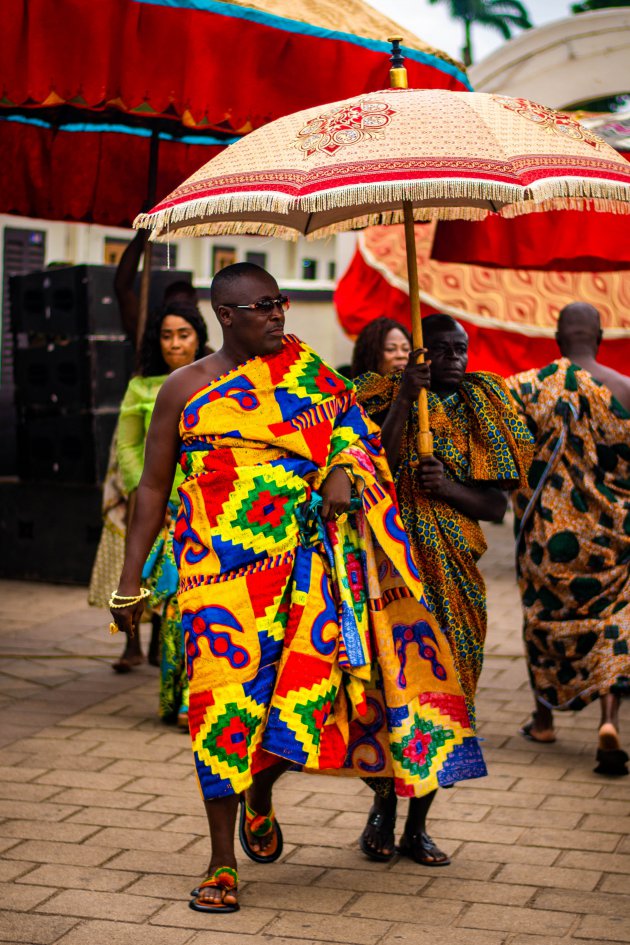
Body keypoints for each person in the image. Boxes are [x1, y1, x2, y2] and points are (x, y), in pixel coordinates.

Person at [110, 264, 486, 915]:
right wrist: (128, 580)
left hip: (305, 575)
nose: (278, 315)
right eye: (263, 306)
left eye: (280, 302)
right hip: (215, 581)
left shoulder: (306, 371)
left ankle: (260, 788)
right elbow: (150, 487)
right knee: (219, 714)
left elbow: (356, 433)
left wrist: (341, 465)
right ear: (227, 314)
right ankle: (221, 863)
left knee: (309, 706)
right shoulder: (184, 389)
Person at [354, 313, 533, 864]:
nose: (457, 360)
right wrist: (407, 398)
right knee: (389, 691)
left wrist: (449, 487)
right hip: (393, 570)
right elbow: (369, 459)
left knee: (446, 696)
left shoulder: (485, 404)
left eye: (463, 349)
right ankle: (382, 810)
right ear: (419, 354)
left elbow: (498, 506)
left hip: (454, 572)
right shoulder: (378, 395)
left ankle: (418, 826)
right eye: (443, 351)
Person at [508, 302, 630, 776]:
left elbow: (507, 456)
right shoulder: (624, 389)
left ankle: (542, 719)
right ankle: (608, 718)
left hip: (545, 537)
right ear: (599, 336)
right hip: (611, 535)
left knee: (542, 619)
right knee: (613, 623)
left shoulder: (526, 387)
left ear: (557, 338)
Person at [114, 302, 209, 730]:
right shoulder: (140, 388)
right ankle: (179, 697)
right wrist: (150, 491)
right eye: (167, 335)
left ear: (200, 335)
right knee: (175, 607)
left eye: (184, 334)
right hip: (167, 513)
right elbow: (128, 448)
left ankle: (202, 697)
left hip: (216, 508)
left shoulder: (220, 379)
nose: (175, 343)